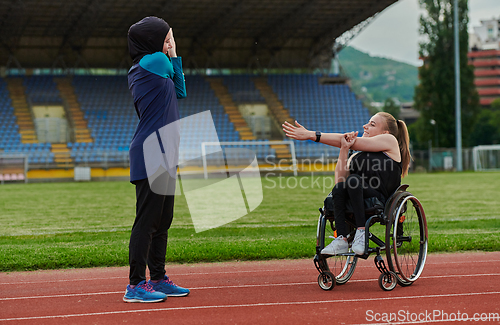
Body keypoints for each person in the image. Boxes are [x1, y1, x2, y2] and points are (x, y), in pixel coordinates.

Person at [123, 16, 190, 303]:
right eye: (166, 38)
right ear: (152, 40)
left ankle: (159, 278)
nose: (169, 43)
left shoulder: (148, 67)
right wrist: (174, 54)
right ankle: (136, 284)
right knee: (147, 221)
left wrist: (172, 54)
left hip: (164, 152)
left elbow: (179, 92)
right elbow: (179, 82)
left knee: (162, 221)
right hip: (152, 152)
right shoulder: (153, 62)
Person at [282, 112, 411, 256]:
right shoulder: (355, 154)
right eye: (368, 122)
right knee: (340, 187)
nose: (365, 126)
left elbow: (348, 140)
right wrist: (344, 148)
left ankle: (361, 234)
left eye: (372, 124)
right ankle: (341, 239)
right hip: (357, 196)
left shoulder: (390, 140)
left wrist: (313, 135)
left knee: (353, 180)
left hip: (380, 198)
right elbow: (340, 183)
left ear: (385, 132)